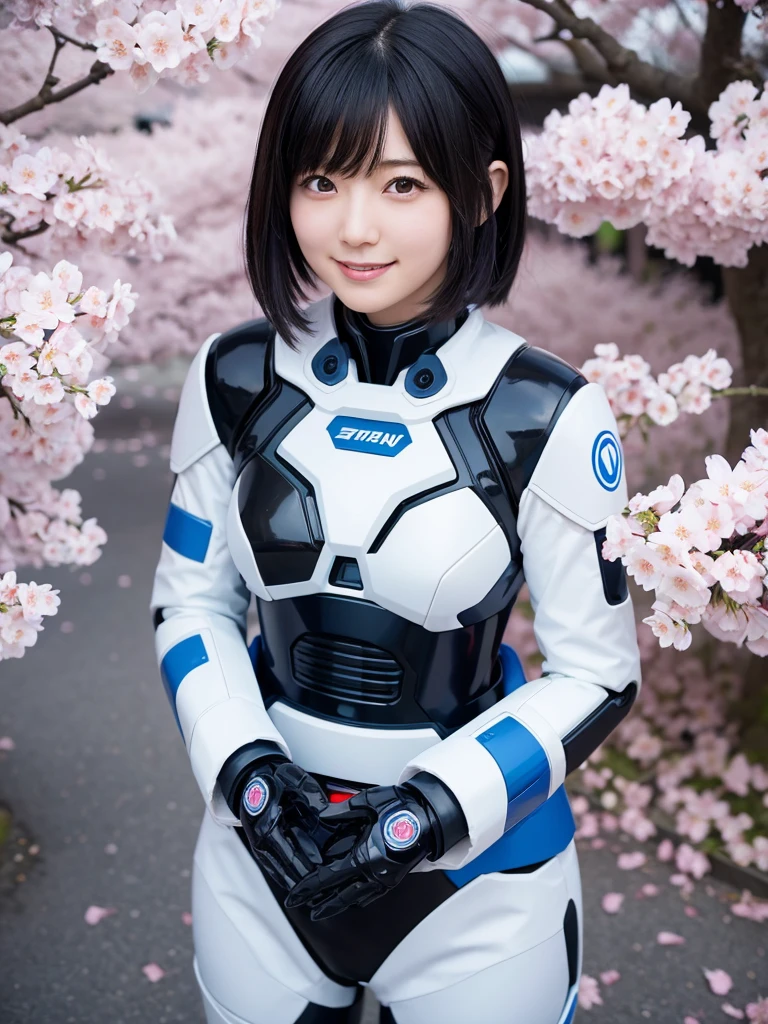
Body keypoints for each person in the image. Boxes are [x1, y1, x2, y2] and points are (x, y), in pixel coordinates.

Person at [149, 2, 641, 1021]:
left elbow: (598, 670)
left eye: (402, 183)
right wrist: (245, 768)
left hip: (477, 880)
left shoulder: (541, 410)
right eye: (320, 180)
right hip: (262, 855)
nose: (353, 227)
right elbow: (189, 604)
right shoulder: (235, 376)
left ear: (485, 190)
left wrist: (430, 808)